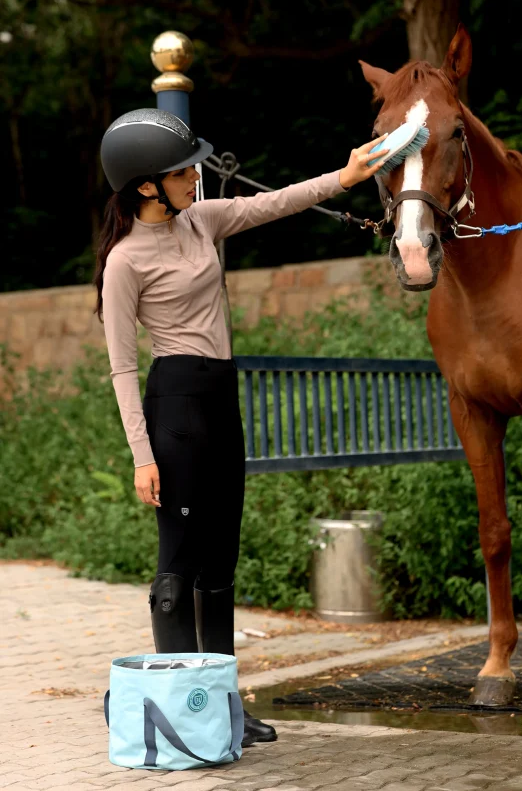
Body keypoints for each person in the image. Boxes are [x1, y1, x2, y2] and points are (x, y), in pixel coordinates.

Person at [94, 108, 389, 746]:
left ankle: (223, 705)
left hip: (221, 398)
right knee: (179, 556)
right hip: (173, 407)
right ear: (147, 184)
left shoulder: (202, 221)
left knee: (220, 557)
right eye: (181, 170)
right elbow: (121, 367)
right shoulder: (124, 262)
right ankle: (179, 713)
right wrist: (141, 455)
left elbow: (275, 205)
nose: (194, 174)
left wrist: (346, 176)